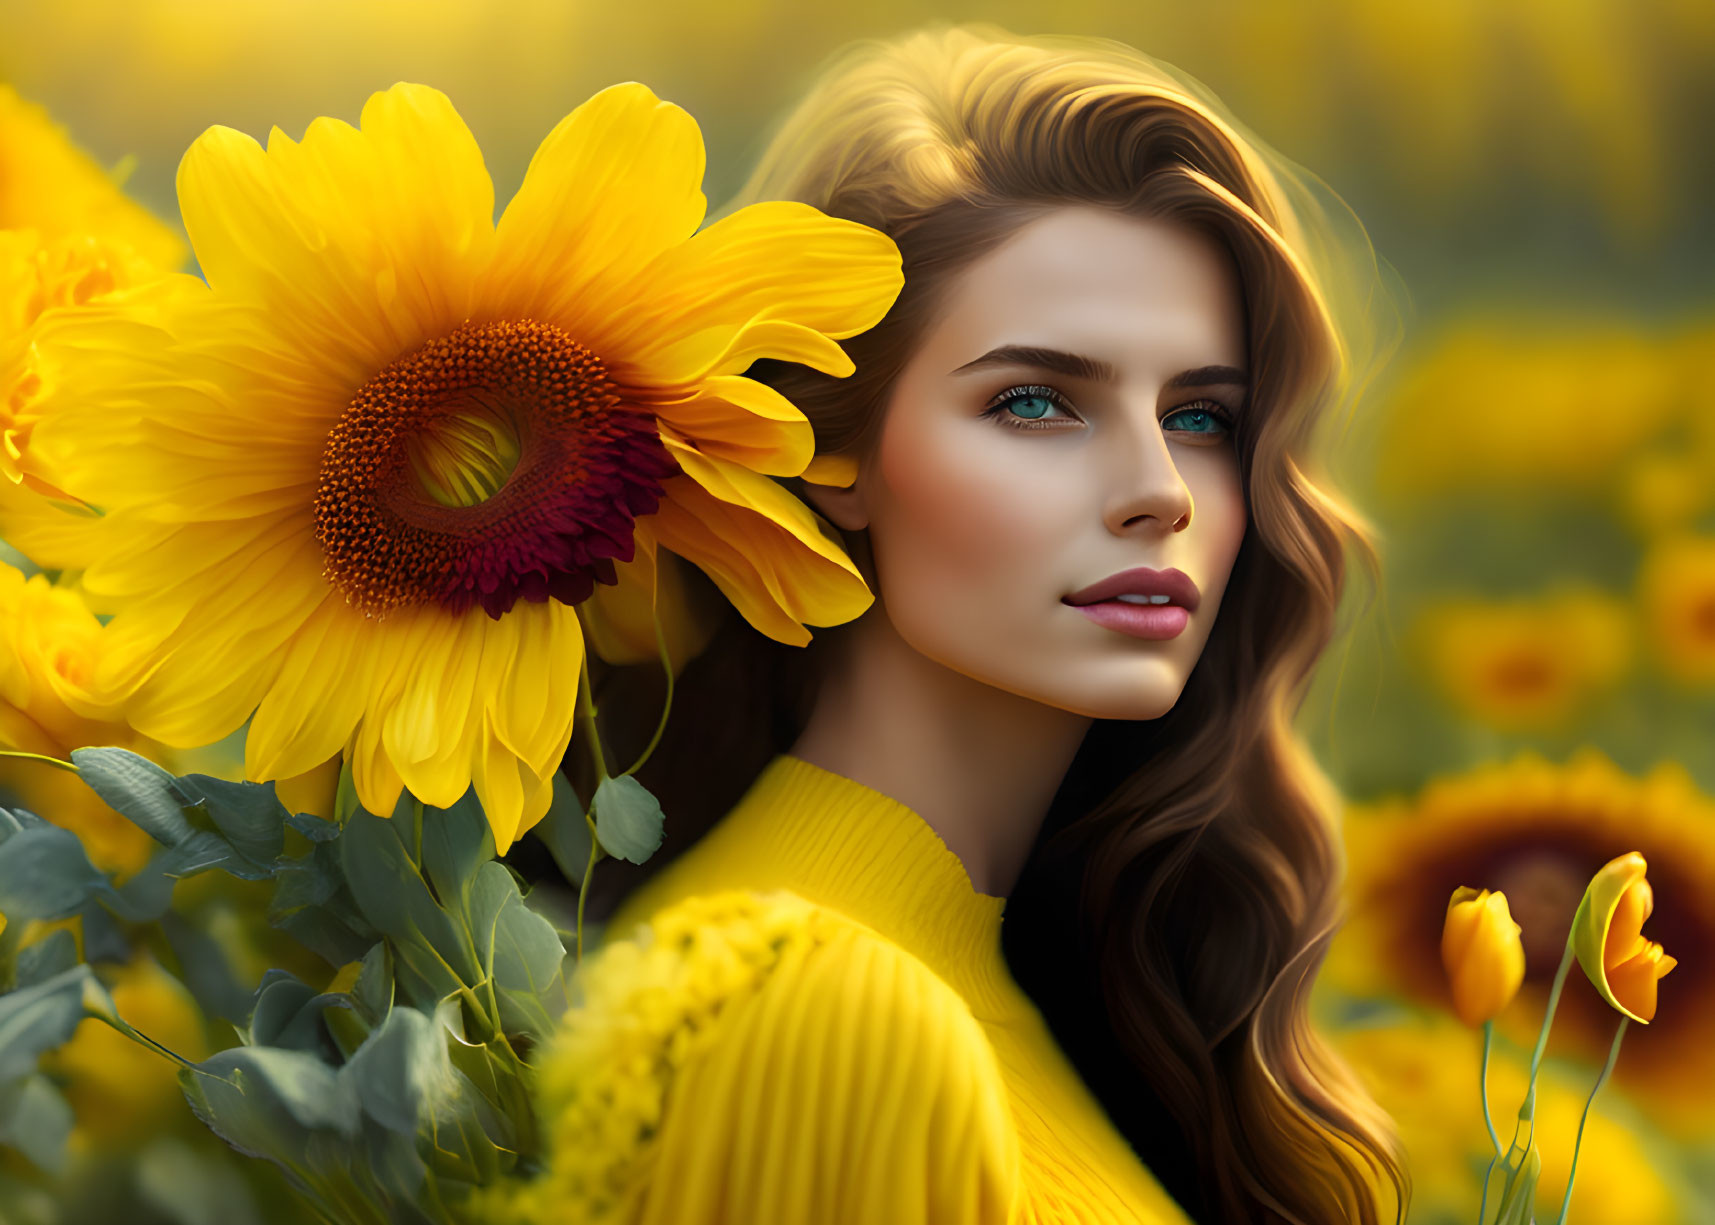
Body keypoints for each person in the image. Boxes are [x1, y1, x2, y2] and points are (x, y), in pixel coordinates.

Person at [538, 22, 1410, 1225]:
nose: (1157, 485)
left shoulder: (1011, 981)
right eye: (1037, 400)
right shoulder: (826, 1011)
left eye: (1201, 415)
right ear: (821, 445)